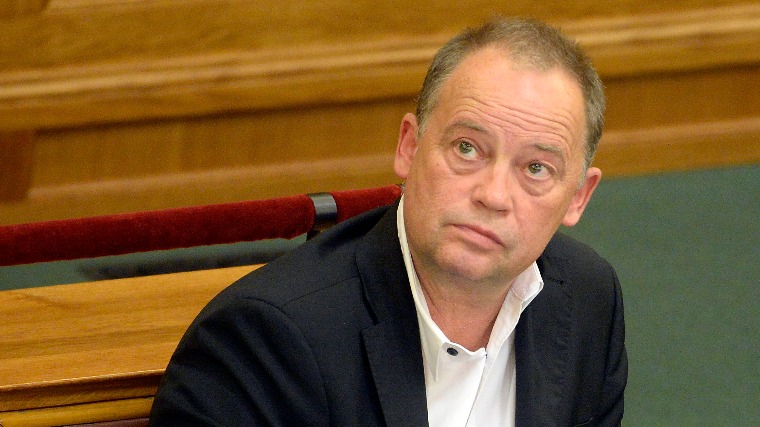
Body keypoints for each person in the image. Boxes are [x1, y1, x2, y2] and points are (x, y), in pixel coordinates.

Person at [150, 17, 627, 426]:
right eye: (467, 148)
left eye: (536, 169)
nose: (494, 195)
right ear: (409, 147)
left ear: (578, 197)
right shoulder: (267, 340)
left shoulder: (587, 298)